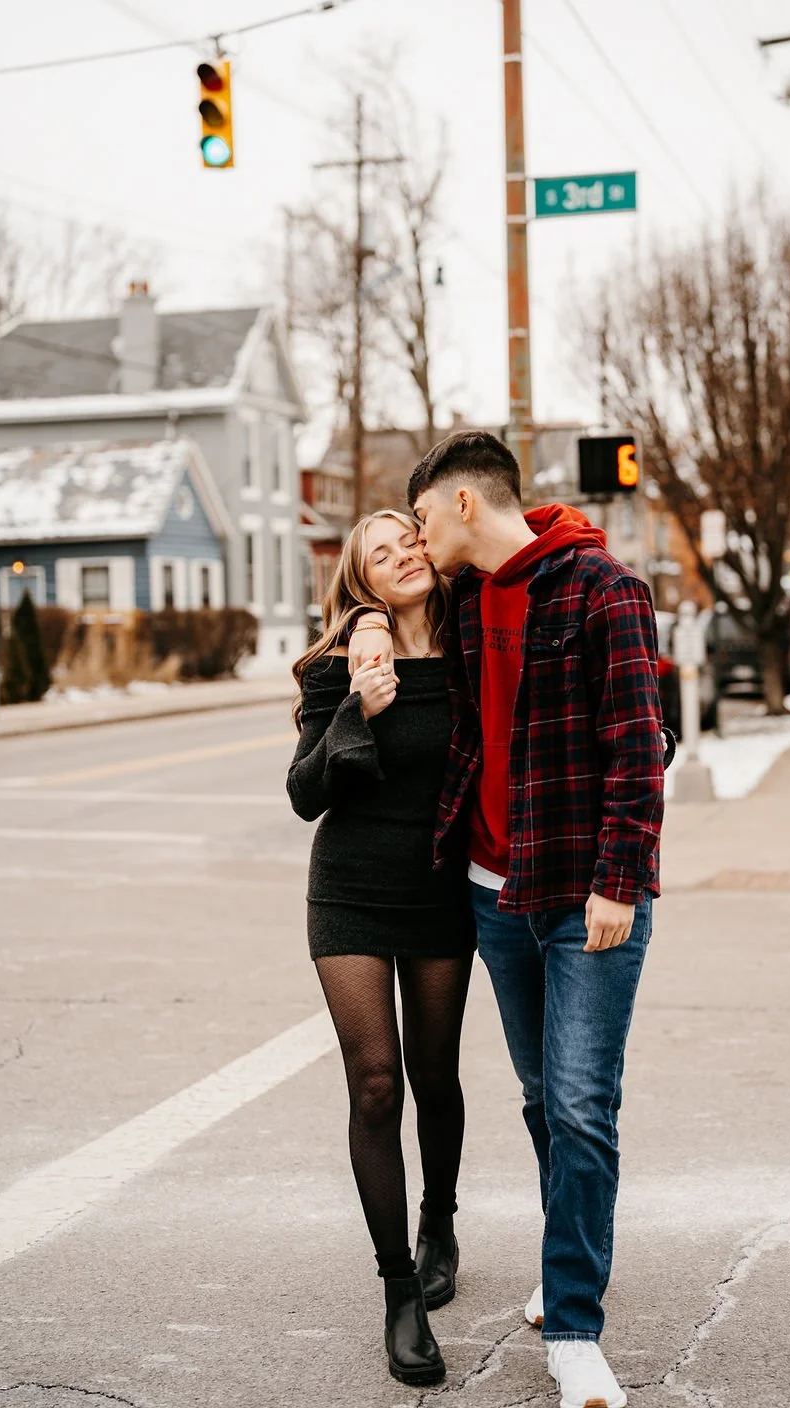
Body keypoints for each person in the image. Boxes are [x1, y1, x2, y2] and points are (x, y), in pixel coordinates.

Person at [349, 433, 664, 1408]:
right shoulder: (474, 596)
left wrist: (620, 880)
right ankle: (561, 1256)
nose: (415, 539)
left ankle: (573, 1328)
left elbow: (639, 746)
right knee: (541, 1098)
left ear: (459, 507)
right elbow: (385, 612)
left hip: (587, 900)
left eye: (420, 520)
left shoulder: (600, 588)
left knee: (579, 1106)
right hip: (492, 897)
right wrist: (364, 624)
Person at [286, 509, 474, 1389]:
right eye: (380, 556)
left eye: (410, 544)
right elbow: (305, 794)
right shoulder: (342, 665)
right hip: (351, 891)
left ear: (433, 555)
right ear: (362, 580)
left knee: (436, 1075)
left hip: (439, 887)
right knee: (375, 1083)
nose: (402, 559)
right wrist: (358, 705)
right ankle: (399, 1291)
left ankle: (440, 1220)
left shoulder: (471, 647)